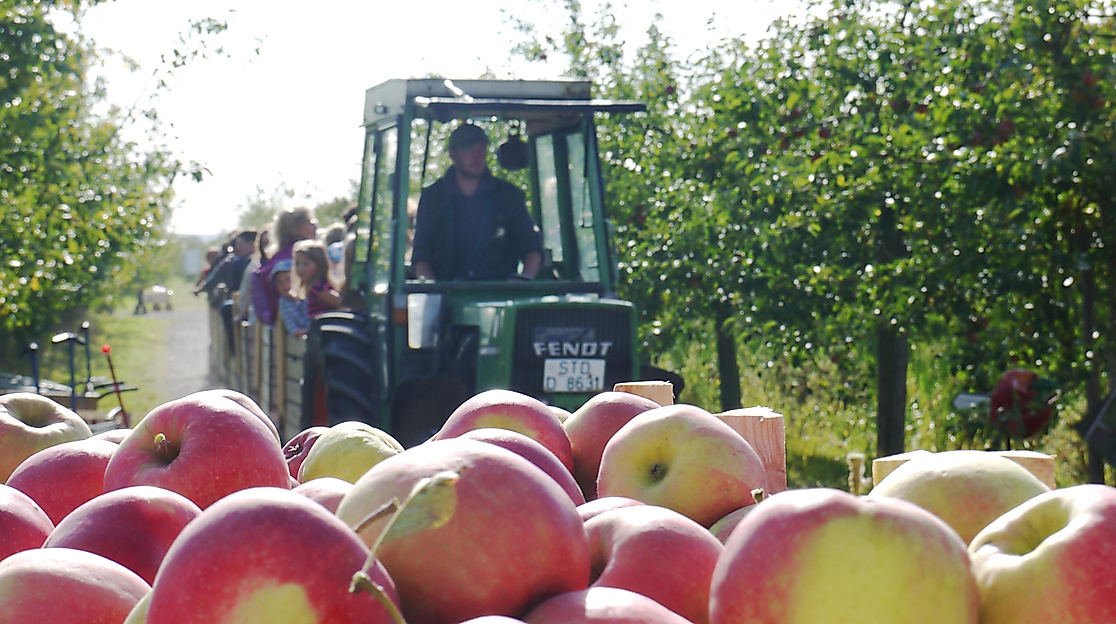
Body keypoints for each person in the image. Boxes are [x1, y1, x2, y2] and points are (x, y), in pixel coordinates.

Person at [410, 122, 544, 281]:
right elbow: (421, 254)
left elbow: (532, 246)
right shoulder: (433, 198)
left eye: (481, 150)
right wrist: (431, 287)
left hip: (499, 292)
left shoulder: (508, 197)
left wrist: (523, 280)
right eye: (469, 150)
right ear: (453, 154)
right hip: (446, 292)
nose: (477, 156)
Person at [250, 206, 318, 327]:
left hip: (278, 327)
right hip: (301, 325)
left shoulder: (273, 259)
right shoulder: (303, 257)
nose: (315, 226)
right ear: (295, 228)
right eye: (310, 222)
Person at [292, 239, 341, 318]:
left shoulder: (318, 289)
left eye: (306, 264)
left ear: (320, 265)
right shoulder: (312, 287)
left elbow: (341, 303)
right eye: (297, 264)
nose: (300, 269)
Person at [270, 259, 310, 337]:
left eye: (288, 280)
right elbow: (289, 321)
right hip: (300, 335)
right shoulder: (284, 302)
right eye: (280, 282)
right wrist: (296, 331)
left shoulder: (308, 294)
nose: (284, 285)